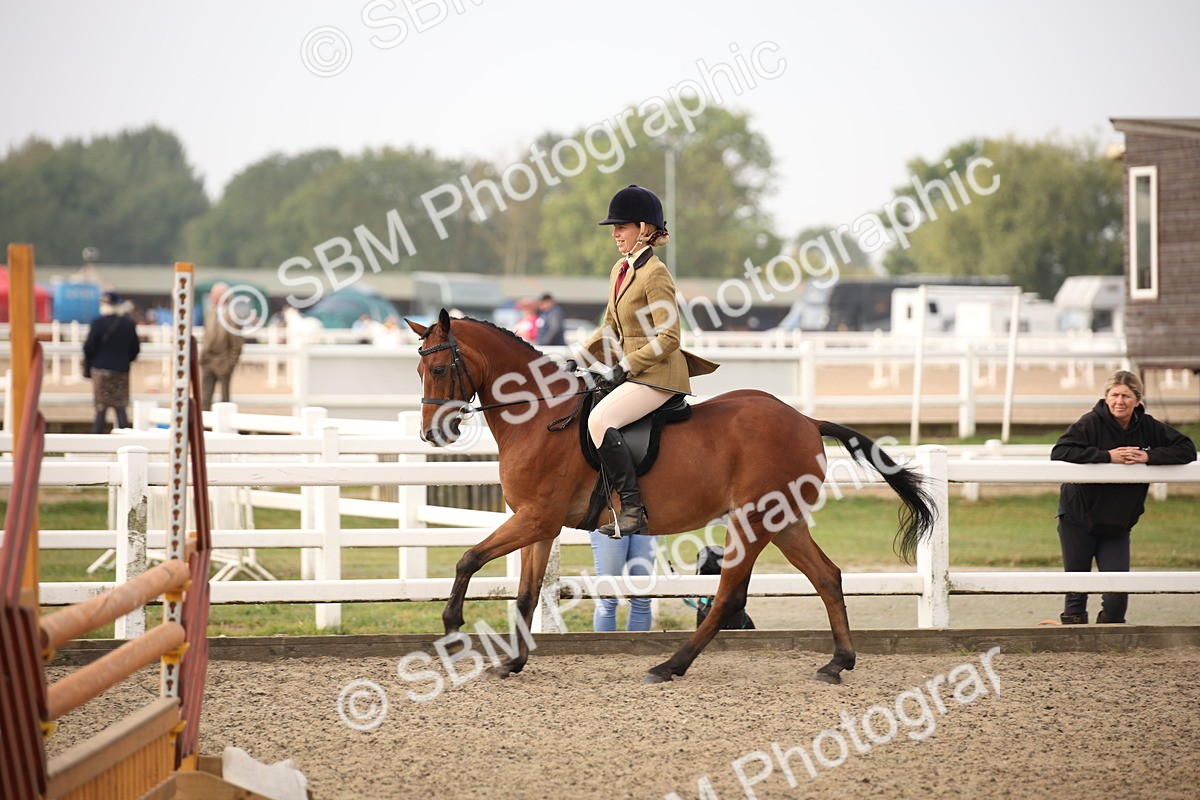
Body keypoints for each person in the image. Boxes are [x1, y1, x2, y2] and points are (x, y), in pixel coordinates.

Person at [582, 184, 718, 538]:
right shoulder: (620, 270)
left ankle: (632, 509)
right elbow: (610, 326)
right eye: (613, 228)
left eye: (621, 227)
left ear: (643, 229)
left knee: (600, 419)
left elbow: (670, 337)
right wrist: (576, 358)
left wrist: (625, 367)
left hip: (658, 375)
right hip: (635, 374)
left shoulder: (656, 273)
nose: (614, 234)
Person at [1050, 370, 1196, 624]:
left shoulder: (1149, 426)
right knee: (1076, 590)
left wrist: (1149, 456)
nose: (1120, 401)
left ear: (1137, 400)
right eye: (1114, 395)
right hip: (1078, 516)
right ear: (1106, 397)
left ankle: (1109, 644)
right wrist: (1108, 456)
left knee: (1117, 598)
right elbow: (1061, 451)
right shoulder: (1090, 422)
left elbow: (1187, 449)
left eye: (1126, 396)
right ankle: (1073, 645)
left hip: (1118, 522)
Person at [83, 291, 140, 433]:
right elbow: (135, 349)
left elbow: (87, 347)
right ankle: (125, 440)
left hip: (100, 369)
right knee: (120, 406)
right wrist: (125, 360)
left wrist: (94, 360)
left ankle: (97, 440)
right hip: (121, 370)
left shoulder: (98, 323)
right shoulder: (128, 324)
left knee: (101, 407)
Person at [590, 532, 657, 632]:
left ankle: (638, 647)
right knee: (607, 597)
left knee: (643, 597)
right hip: (608, 519)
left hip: (647, 519)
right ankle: (604, 647)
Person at [200, 282, 245, 410]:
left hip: (224, 361)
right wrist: (203, 356)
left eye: (213, 295)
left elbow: (237, 343)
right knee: (205, 399)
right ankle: (205, 426)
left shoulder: (233, 315)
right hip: (208, 360)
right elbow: (206, 335)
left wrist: (231, 362)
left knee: (225, 399)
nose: (211, 297)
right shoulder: (210, 312)